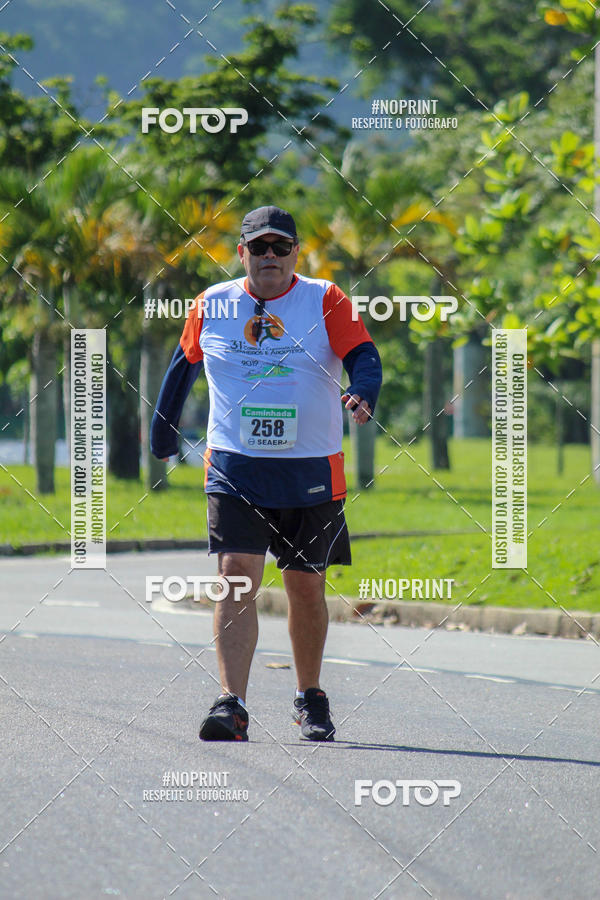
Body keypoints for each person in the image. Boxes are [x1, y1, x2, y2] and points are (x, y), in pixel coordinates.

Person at [151, 205, 382, 742]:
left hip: (311, 468)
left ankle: (309, 696)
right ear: (243, 253)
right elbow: (181, 370)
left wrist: (364, 392)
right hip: (235, 465)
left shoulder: (325, 298)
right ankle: (232, 703)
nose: (271, 256)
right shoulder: (212, 304)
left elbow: (364, 356)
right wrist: (163, 435)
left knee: (304, 586)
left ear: (296, 253)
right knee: (235, 575)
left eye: (281, 247)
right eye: (260, 247)